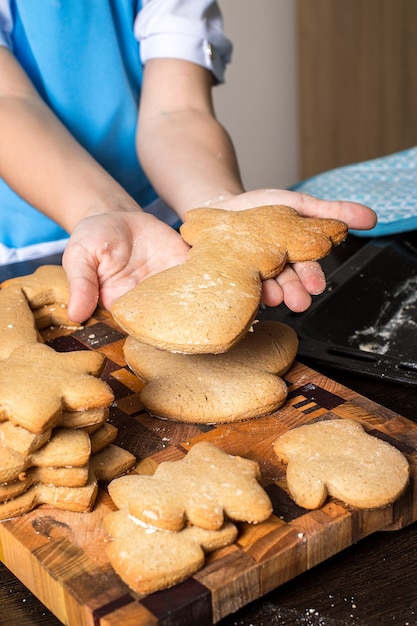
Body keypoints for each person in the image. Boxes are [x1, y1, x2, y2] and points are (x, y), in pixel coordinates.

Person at [0, 0, 376, 323]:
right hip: (20, 244)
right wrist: (103, 209)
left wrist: (218, 211)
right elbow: (9, 103)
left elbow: (175, 111)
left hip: (154, 239)